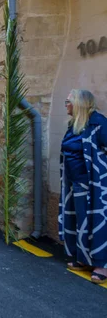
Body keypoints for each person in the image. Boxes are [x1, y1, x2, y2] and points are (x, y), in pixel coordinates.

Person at [59, 89, 107, 284]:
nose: (66, 105)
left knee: (97, 223)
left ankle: (102, 265)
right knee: (81, 223)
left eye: (68, 101)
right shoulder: (75, 125)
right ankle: (84, 258)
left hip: (95, 186)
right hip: (75, 184)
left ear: (79, 103)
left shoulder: (98, 123)